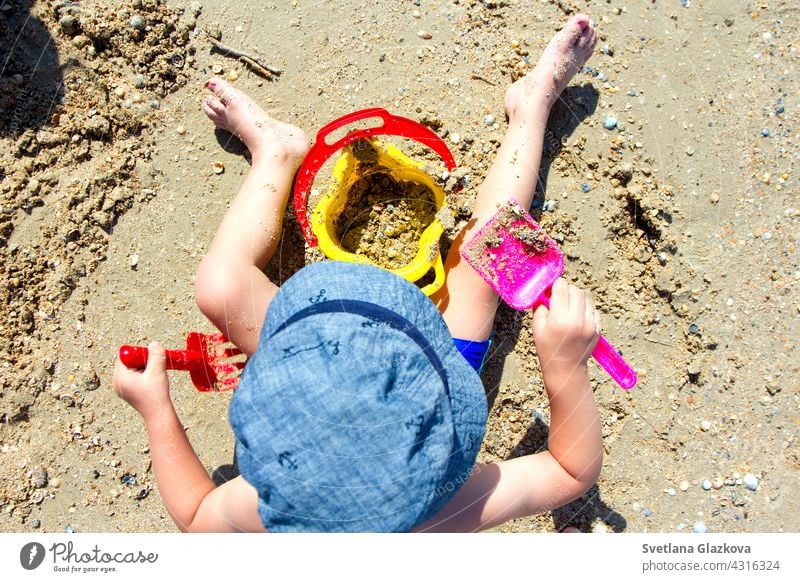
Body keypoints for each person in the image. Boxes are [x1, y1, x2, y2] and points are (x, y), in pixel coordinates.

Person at [113, 14, 601, 532]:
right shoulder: (433, 513)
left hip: (309, 365)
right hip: (434, 353)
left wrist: (155, 408)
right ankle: (531, 108)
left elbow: (195, 515)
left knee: (218, 286)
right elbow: (570, 471)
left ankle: (276, 155)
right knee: (487, 252)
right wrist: (566, 365)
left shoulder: (264, 508)